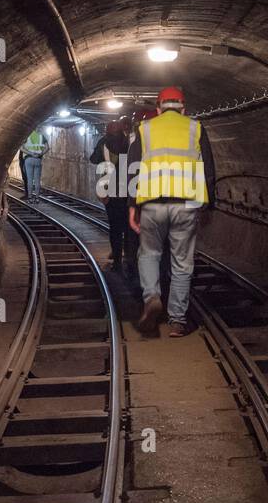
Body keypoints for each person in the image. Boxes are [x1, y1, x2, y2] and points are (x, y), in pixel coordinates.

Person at [128, 87, 215, 337]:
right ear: (183, 108)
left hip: (152, 203)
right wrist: (209, 205)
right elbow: (207, 168)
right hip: (186, 203)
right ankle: (177, 321)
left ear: (158, 108)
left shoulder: (144, 130)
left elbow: (133, 170)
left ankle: (152, 297)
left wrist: (132, 207)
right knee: (182, 262)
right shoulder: (195, 128)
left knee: (149, 254)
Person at [89, 118, 136, 275]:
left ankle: (117, 261)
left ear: (107, 131)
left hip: (111, 190)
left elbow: (94, 159)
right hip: (130, 189)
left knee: (115, 229)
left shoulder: (104, 142)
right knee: (129, 228)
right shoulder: (130, 141)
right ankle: (131, 261)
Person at [19, 128, 48, 200]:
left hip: (29, 159)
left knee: (30, 180)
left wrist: (30, 153)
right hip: (38, 159)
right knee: (37, 180)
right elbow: (47, 148)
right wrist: (41, 153)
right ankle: (37, 198)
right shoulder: (41, 136)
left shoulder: (26, 135)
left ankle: (30, 197)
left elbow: (21, 148)